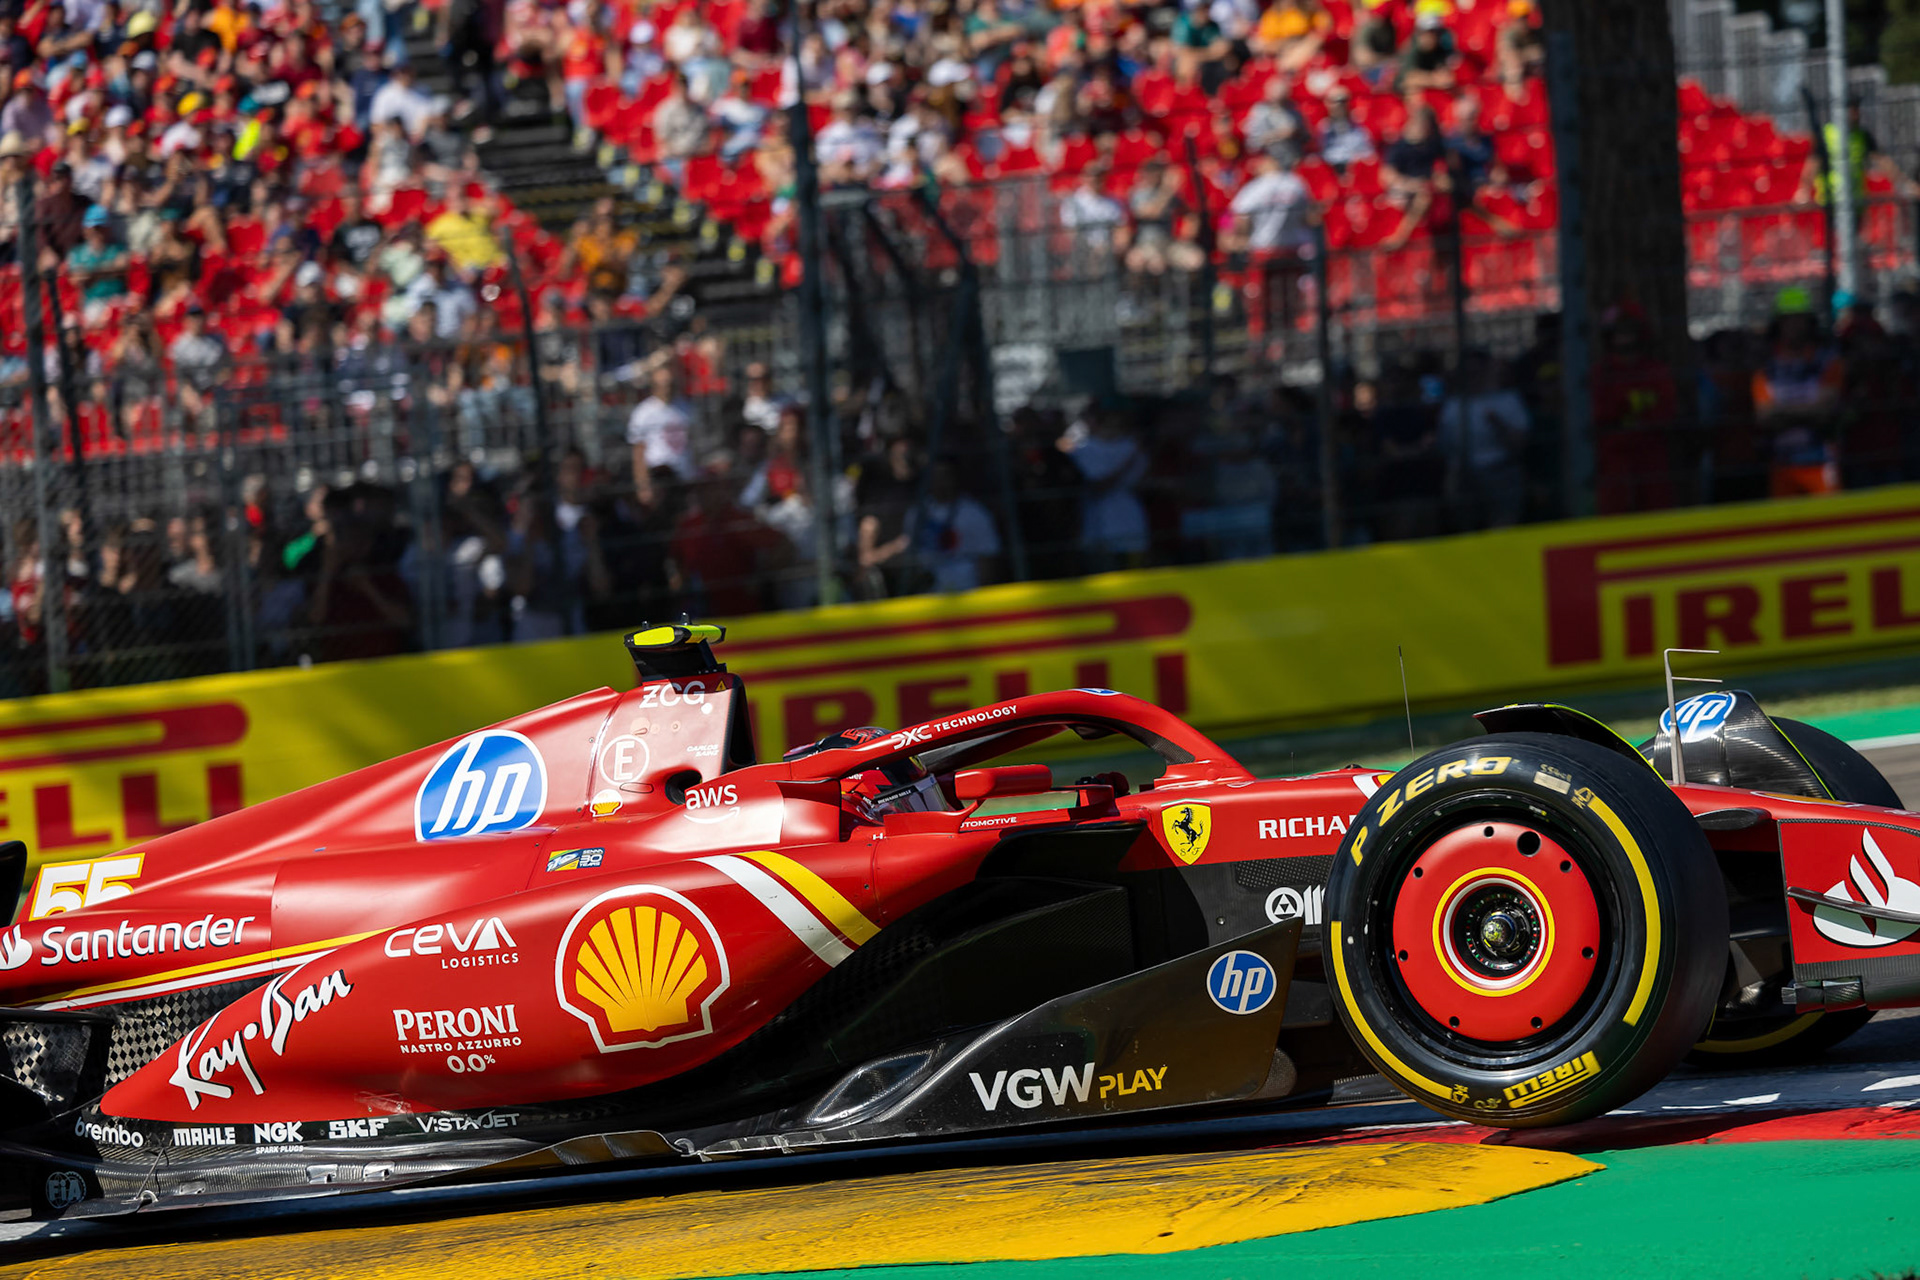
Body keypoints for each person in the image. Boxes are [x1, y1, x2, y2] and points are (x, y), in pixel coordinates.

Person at [1753, 286, 1842, 496]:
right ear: (1778, 324)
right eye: (1788, 320)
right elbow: (1764, 416)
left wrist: (1782, 412)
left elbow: (1826, 412)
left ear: (1810, 323)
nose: (1794, 326)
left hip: (1821, 461)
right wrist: (1809, 411)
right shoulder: (1767, 370)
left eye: (1799, 319)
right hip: (1781, 466)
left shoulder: (1826, 363)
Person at [1438, 352, 1531, 529]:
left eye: (1477, 371)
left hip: (1502, 474)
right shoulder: (1452, 405)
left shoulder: (1508, 400)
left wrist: (1499, 424)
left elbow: (1521, 444)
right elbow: (1444, 447)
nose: (1473, 377)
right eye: (1468, 373)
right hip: (1464, 478)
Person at [904, 458, 1000, 593]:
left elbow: (987, 559)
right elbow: (911, 559)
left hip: (967, 593)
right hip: (929, 597)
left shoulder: (975, 513)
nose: (940, 482)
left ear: (955, 478)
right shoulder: (916, 514)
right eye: (934, 476)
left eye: (944, 475)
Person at [627, 362, 696, 481]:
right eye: (662, 384)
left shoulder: (686, 408)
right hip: (658, 477)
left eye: (669, 383)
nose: (666, 388)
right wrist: (642, 483)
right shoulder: (642, 413)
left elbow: (694, 442)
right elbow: (638, 452)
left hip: (684, 475)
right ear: (654, 386)